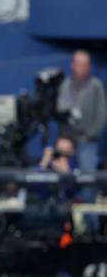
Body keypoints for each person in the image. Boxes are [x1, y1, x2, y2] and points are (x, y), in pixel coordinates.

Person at [57, 50, 107, 189]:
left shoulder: (96, 85)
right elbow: (60, 109)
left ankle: (87, 207)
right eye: (79, 64)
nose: (82, 67)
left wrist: (89, 135)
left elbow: (102, 114)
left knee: (88, 177)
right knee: (63, 174)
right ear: (73, 65)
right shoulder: (66, 84)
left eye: (85, 64)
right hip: (68, 141)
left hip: (87, 141)